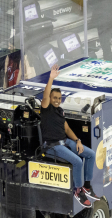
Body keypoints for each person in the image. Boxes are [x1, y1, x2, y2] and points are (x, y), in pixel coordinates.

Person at [40, 65, 101, 208]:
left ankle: (86, 186)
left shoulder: (60, 111)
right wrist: (51, 78)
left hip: (66, 141)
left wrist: (78, 140)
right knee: (78, 161)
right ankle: (78, 190)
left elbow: (66, 128)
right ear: (50, 98)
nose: (57, 100)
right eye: (54, 97)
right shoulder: (46, 108)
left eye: (59, 98)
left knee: (90, 154)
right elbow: (45, 95)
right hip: (52, 146)